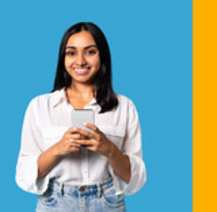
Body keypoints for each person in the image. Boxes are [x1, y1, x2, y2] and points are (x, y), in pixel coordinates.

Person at [15, 22, 146, 212]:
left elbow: (135, 180)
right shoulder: (39, 106)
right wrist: (58, 149)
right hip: (55, 203)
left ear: (103, 56)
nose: (81, 61)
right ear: (63, 58)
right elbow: (23, 175)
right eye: (71, 52)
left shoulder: (124, 107)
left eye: (90, 52)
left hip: (107, 203)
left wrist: (109, 149)